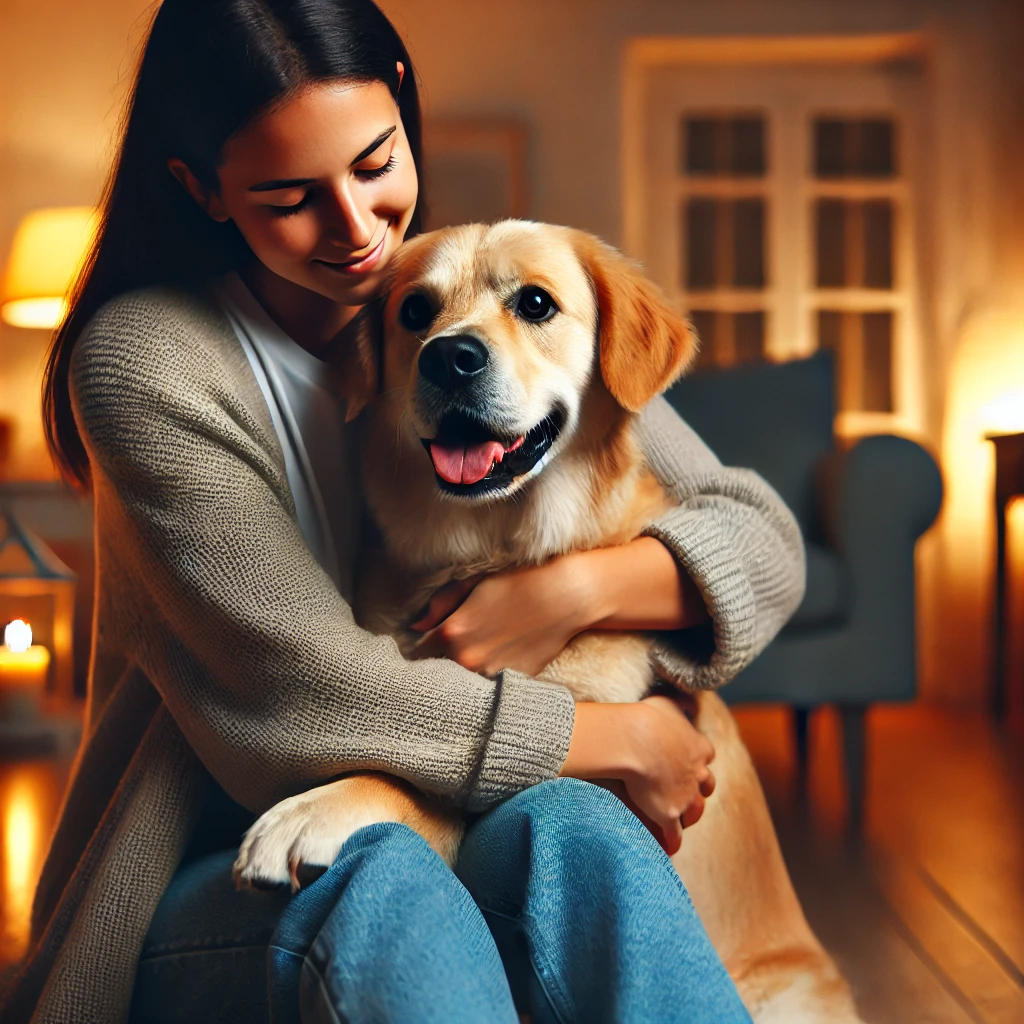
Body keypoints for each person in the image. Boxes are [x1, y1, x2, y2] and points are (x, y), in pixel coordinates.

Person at [4, 1, 805, 1021]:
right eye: (290, 197)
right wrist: (620, 736)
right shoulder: (148, 360)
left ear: (399, 97)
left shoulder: (452, 290)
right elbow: (301, 696)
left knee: (583, 832)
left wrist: (566, 593)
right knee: (388, 871)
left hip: (445, 800)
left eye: (375, 162)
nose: (356, 231)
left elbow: (760, 537)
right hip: (218, 856)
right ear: (201, 187)